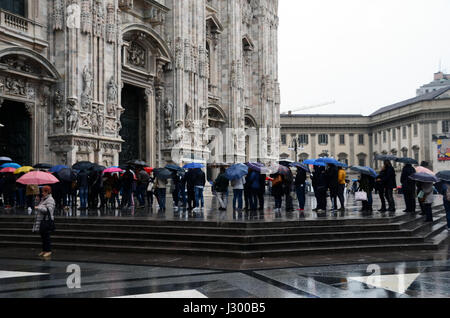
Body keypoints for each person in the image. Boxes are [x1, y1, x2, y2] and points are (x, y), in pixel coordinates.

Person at [32, 186, 56, 259]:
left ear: (47, 192)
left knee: (46, 236)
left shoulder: (50, 200)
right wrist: (37, 200)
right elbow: (38, 206)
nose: (42, 193)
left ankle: (48, 250)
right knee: (43, 236)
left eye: (43, 192)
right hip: (41, 220)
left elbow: (49, 210)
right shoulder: (43, 199)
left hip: (46, 221)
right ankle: (44, 250)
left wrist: (38, 207)